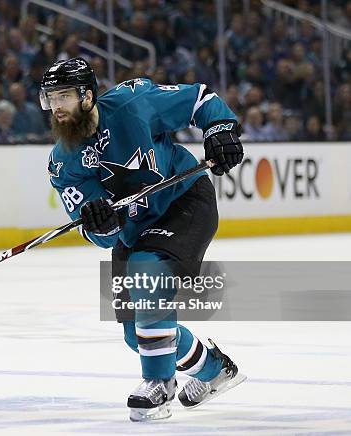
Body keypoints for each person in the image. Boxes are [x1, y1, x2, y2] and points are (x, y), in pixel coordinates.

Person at [39, 57, 246, 422]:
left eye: (64, 96)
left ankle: (159, 385)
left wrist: (219, 129)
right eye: (50, 98)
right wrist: (100, 222)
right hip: (136, 229)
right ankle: (213, 370)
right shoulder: (63, 163)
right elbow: (103, 236)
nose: (56, 107)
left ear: (87, 96)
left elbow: (199, 100)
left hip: (184, 199)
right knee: (140, 337)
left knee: (146, 273)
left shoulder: (133, 103)